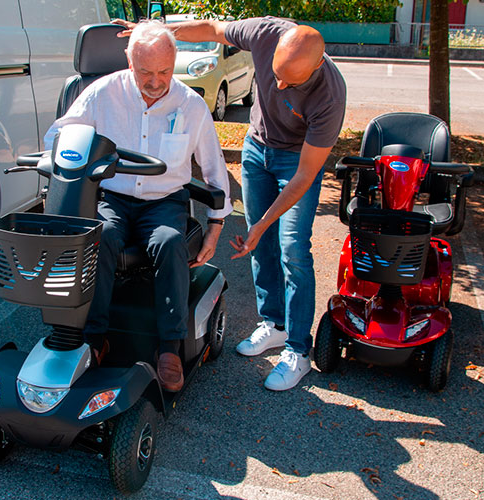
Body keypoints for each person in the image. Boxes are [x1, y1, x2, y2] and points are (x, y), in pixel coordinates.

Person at [115, 16, 346, 391]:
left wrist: (260, 224)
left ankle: (298, 350)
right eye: (276, 75)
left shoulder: (330, 97)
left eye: (292, 82)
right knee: (261, 249)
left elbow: (305, 175)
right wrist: (152, 28)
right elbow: (210, 29)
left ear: (318, 66)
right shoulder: (267, 33)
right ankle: (273, 324)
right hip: (257, 146)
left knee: (292, 250)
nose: (281, 86)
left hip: (295, 160)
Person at [44, 21, 232, 392]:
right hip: (113, 197)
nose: (155, 80)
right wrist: (72, 155)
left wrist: (216, 226)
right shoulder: (102, 93)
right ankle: (96, 338)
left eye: (164, 71)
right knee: (102, 237)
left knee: (168, 242)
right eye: (145, 71)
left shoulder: (191, 105)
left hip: (164, 201)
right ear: (130, 62)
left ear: (174, 61)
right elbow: (58, 135)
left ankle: (169, 347)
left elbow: (214, 167)